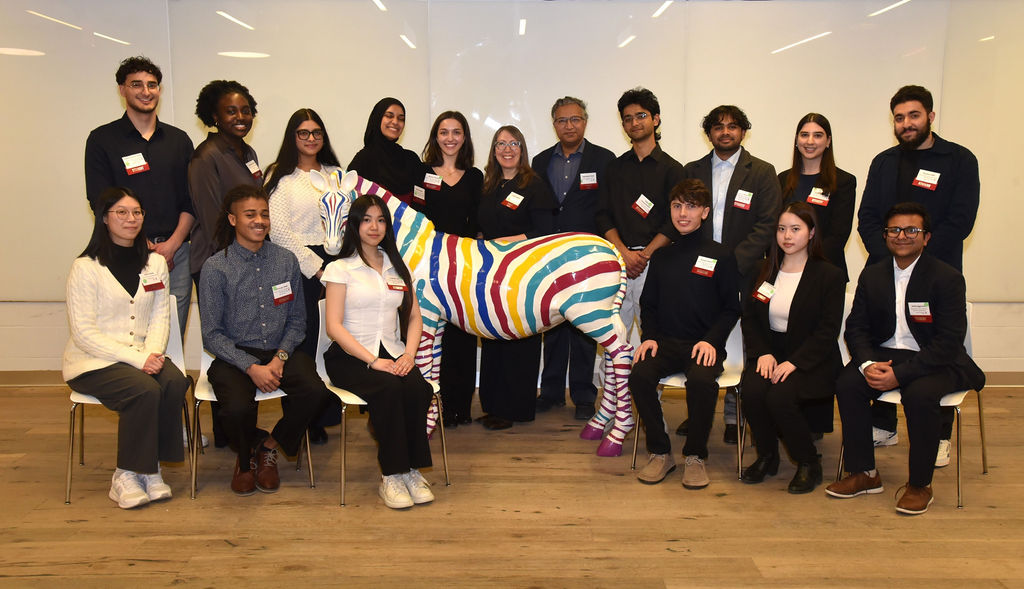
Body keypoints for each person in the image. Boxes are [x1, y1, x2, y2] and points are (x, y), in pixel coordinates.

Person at [826, 202, 984, 515]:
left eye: (911, 230)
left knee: (920, 393)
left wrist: (901, 375)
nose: (902, 236)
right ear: (885, 236)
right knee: (848, 382)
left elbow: (948, 342)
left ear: (926, 237)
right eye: (894, 230)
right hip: (886, 355)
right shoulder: (872, 276)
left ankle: (919, 484)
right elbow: (856, 328)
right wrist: (869, 364)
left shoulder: (947, 278)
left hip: (938, 360)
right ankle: (865, 473)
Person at [857, 85, 981, 461]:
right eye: (899, 117)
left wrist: (915, 259)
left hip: (936, 273)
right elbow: (867, 219)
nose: (906, 123)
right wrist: (892, 257)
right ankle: (884, 424)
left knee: (935, 349)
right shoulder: (884, 161)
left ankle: (939, 435)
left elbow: (960, 219)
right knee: (884, 339)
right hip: (883, 271)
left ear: (930, 116)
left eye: (913, 115)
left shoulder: (959, 159)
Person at [198, 185, 331, 496]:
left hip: (279, 350)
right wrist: (250, 367)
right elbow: (211, 334)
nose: (259, 220)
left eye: (264, 214)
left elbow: (298, 320)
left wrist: (279, 358)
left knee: (316, 392)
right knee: (234, 411)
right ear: (232, 220)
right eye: (250, 215)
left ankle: (270, 447)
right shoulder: (216, 267)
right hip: (235, 354)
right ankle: (245, 462)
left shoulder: (285, 261)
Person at [63, 187, 188, 509]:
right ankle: (125, 475)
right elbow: (83, 333)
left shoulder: (155, 264)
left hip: (144, 354)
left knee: (175, 382)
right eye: (121, 212)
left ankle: (150, 469)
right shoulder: (86, 267)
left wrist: (153, 354)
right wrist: (138, 359)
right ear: (104, 218)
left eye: (136, 212)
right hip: (94, 361)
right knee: (143, 390)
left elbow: (161, 316)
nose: (130, 219)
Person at [321, 194, 436, 510]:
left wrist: (409, 356)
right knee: (387, 389)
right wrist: (373, 361)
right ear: (355, 225)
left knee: (416, 388)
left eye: (381, 219)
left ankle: (411, 470)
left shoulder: (397, 266)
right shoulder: (340, 268)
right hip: (350, 356)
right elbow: (334, 326)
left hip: (394, 351)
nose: (375, 226)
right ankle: (391, 475)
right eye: (367, 219)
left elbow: (413, 317)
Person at [630, 179, 740, 490]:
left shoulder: (721, 255)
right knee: (639, 375)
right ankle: (661, 451)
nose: (683, 213)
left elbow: (732, 308)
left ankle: (695, 455)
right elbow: (647, 303)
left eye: (691, 206)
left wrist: (712, 341)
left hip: (704, 345)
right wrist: (648, 336)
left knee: (702, 381)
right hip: (665, 343)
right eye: (677, 206)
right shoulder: (663, 256)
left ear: (705, 212)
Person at [681, 105, 781, 444]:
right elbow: (686, 221)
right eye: (718, 127)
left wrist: (730, 263)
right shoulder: (692, 169)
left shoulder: (763, 172)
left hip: (745, 271)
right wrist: (707, 264)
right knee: (702, 332)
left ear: (743, 131)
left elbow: (767, 224)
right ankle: (700, 410)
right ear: (708, 132)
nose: (725, 132)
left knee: (744, 339)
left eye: (733, 126)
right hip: (699, 272)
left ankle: (734, 414)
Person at [85, 56, 195, 338]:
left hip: (177, 253)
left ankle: (169, 381)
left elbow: (191, 200)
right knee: (130, 329)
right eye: (137, 84)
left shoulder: (179, 140)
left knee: (170, 331)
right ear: (122, 89)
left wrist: (171, 245)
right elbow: (99, 200)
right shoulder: (102, 139)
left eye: (152, 84)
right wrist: (141, 243)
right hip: (124, 251)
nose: (146, 91)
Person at [739, 202, 844, 494]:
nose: (787, 236)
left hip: (812, 359)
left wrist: (794, 362)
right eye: (782, 229)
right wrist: (763, 352)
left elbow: (827, 332)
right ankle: (767, 456)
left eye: (796, 229)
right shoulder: (763, 270)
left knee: (780, 397)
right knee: (753, 390)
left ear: (811, 233)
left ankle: (809, 462)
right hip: (771, 352)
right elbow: (750, 318)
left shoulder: (828, 276)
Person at [532, 96, 615, 421]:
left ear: (585, 121)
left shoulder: (605, 160)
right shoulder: (538, 162)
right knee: (550, 324)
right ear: (554, 124)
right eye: (562, 121)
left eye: (575, 119)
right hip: (549, 257)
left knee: (584, 327)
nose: (569, 126)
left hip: (586, 259)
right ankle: (551, 391)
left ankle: (583, 394)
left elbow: (608, 207)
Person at [265, 108, 344, 445]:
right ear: (292, 137)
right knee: (305, 342)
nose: (311, 139)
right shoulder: (281, 177)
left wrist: (341, 265)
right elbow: (280, 233)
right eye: (303, 133)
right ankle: (304, 419)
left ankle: (327, 414)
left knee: (334, 340)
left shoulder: (335, 175)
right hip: (299, 268)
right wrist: (318, 268)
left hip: (338, 263)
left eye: (316, 133)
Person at [476, 125, 557, 430]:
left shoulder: (534, 185)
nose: (507, 149)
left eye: (513, 144)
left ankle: (515, 408)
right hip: (491, 274)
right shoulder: (488, 186)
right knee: (494, 337)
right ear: (494, 150)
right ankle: (494, 405)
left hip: (523, 273)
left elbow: (546, 231)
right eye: (500, 144)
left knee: (519, 339)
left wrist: (508, 242)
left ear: (522, 149)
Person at [595, 87, 684, 344]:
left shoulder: (673, 169)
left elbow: (675, 222)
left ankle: (649, 385)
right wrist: (624, 252)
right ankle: (613, 386)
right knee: (613, 335)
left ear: (656, 119)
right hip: (618, 262)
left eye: (641, 115)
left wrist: (644, 256)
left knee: (655, 335)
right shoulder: (614, 168)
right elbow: (602, 215)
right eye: (628, 118)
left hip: (657, 263)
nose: (634, 122)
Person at [416, 110, 483, 427]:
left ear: (465, 137)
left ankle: (459, 408)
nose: (450, 138)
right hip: (429, 267)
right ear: (435, 136)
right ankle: (433, 407)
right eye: (444, 132)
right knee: (430, 338)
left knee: (463, 338)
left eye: (457, 132)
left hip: (464, 266)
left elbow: (479, 223)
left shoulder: (475, 177)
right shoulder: (422, 174)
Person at [188, 80, 261, 287]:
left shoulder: (249, 153)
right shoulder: (205, 157)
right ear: (215, 117)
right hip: (217, 263)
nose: (240, 117)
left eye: (246, 111)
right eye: (231, 111)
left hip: (246, 257)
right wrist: (237, 262)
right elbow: (212, 220)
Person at [777, 113, 856, 281]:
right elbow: (775, 227)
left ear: (828, 141)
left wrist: (806, 264)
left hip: (824, 270)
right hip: (785, 269)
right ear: (796, 140)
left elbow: (838, 234)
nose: (810, 141)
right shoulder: (782, 179)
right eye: (804, 135)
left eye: (818, 135)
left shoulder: (844, 181)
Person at [348, 97, 422, 203]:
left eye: (401, 118)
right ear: (378, 118)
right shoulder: (364, 159)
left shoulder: (411, 159)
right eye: (389, 116)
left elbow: (421, 199)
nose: (395, 122)